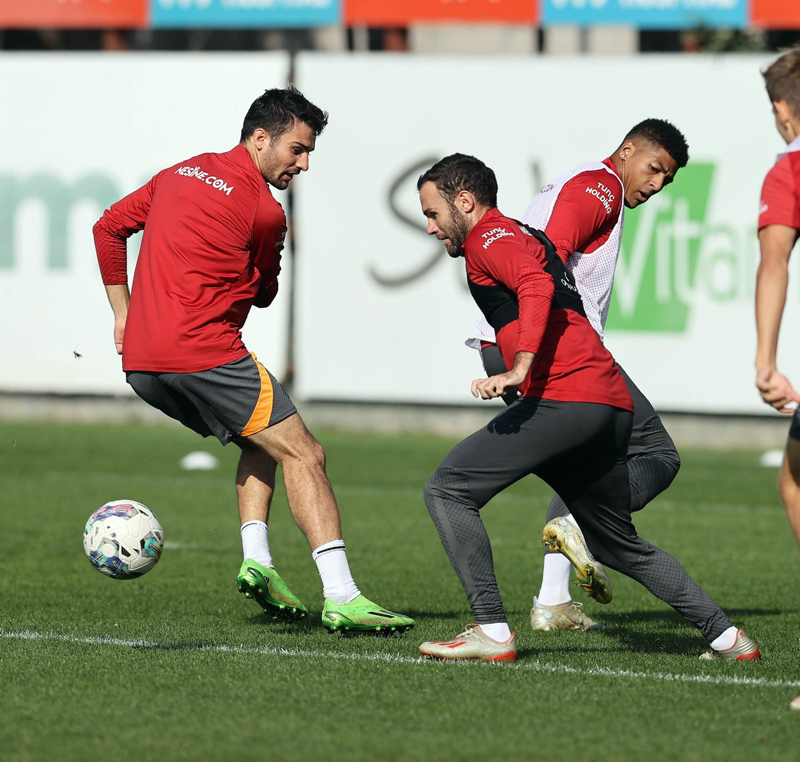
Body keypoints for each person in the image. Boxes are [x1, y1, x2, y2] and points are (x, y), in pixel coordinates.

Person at [93, 86, 413, 635]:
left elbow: (108, 228)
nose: (304, 164)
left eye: (309, 152)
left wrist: (123, 316)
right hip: (206, 353)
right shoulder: (266, 212)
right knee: (306, 453)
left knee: (260, 440)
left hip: (144, 364)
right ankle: (343, 594)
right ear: (260, 138)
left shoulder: (178, 174)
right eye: (297, 149)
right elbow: (264, 293)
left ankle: (258, 561)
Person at [415, 153, 759, 662]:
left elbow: (536, 285)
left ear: (465, 202)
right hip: (608, 401)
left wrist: (518, 367)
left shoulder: (489, 238)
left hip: (566, 398)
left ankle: (492, 631)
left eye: (433, 213)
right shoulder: (520, 233)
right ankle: (730, 640)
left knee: (448, 489)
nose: (430, 227)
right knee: (618, 545)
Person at [468, 119, 685, 632]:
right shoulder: (601, 187)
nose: (656, 185)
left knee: (582, 468)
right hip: (548, 350)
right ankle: (579, 530)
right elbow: (547, 260)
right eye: (654, 169)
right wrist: (536, 353)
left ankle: (553, 601)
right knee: (656, 453)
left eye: (667, 180)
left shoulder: (588, 183)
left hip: (513, 344)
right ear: (627, 151)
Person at [756, 47, 800, 554]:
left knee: (794, 483)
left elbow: (774, 263)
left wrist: (766, 363)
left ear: (783, 111)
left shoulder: (789, 169)